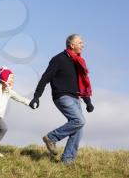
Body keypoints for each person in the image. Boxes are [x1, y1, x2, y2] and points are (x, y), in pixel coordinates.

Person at [29, 34, 94, 164]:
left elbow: (81, 84)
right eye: (80, 42)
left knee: (78, 128)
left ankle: (67, 160)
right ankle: (51, 137)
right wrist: (36, 97)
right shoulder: (58, 59)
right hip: (62, 96)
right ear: (72, 44)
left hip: (76, 98)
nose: (83, 45)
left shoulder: (78, 62)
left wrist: (88, 102)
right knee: (79, 120)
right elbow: (45, 78)